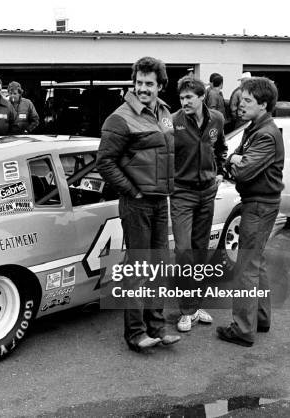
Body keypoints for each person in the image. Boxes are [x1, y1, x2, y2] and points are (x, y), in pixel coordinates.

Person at [97, 56, 181, 352]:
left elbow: (168, 152)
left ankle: (156, 327)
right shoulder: (119, 118)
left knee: (160, 266)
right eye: (139, 83)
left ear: (160, 86)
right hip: (138, 204)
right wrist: (132, 192)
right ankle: (135, 333)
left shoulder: (165, 113)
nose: (143, 88)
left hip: (161, 201)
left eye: (149, 84)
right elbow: (104, 162)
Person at [218, 77, 284, 347]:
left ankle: (243, 329)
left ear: (264, 104)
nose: (239, 105)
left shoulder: (265, 133)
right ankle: (261, 318)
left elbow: (243, 169)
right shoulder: (255, 127)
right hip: (260, 202)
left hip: (258, 205)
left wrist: (232, 159)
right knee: (257, 262)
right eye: (240, 99)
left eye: (247, 100)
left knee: (246, 267)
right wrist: (236, 161)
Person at [171, 76, 227, 332]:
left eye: (189, 98)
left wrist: (220, 171)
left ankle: (194, 306)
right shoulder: (172, 122)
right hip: (182, 193)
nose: (184, 102)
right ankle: (186, 310)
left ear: (202, 96)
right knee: (184, 251)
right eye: (181, 98)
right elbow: (163, 154)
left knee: (200, 251)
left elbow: (220, 148)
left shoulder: (216, 118)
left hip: (207, 192)